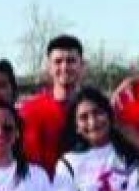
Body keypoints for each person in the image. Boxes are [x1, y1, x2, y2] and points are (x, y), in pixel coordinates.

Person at [18, 34, 87, 172]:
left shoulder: (96, 109)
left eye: (71, 61)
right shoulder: (30, 110)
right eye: (58, 61)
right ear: (49, 67)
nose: (65, 67)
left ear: (82, 65)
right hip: (44, 187)